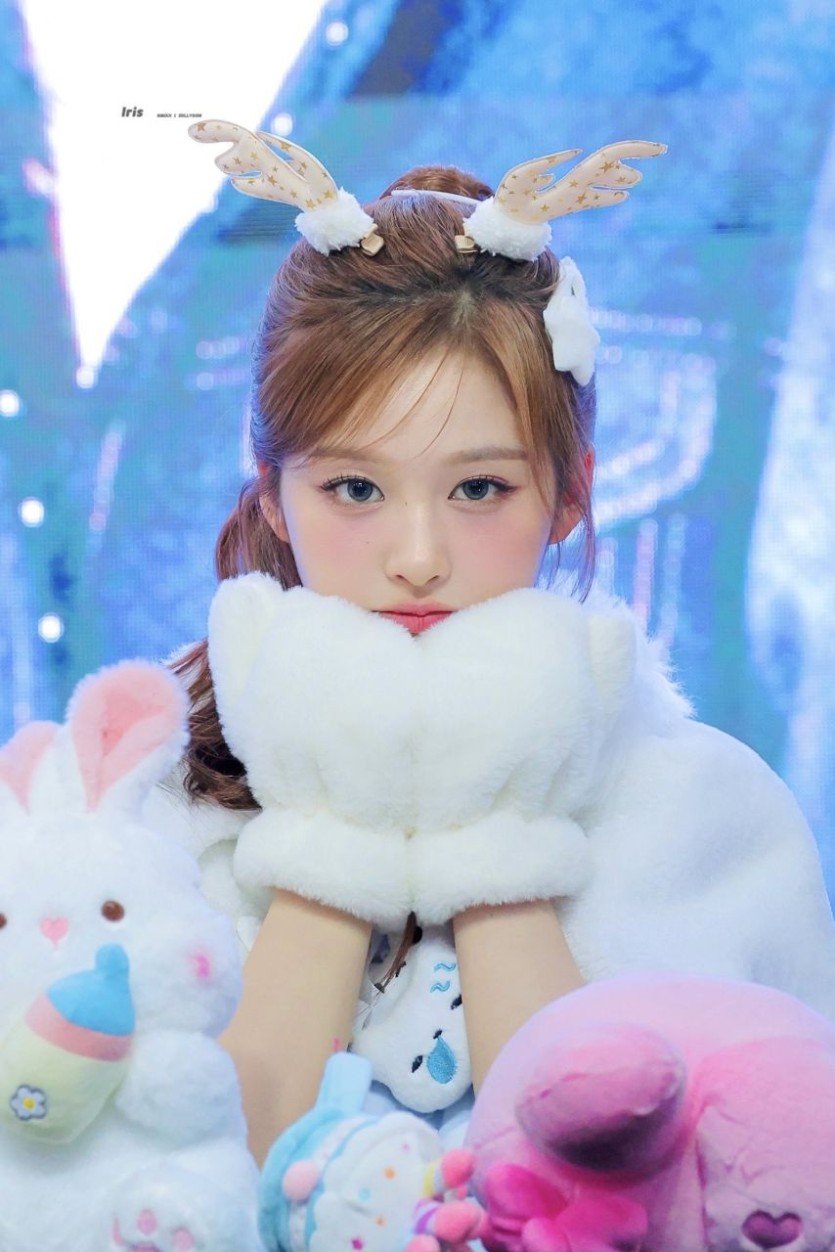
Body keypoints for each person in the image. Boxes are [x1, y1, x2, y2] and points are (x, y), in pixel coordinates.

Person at [146, 121, 835, 1190]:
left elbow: (624, 1202)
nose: (417, 558)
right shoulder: (145, 804)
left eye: (479, 489)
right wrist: (335, 817)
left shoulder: (708, 814)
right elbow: (172, 1197)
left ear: (570, 494)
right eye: (355, 489)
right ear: (272, 493)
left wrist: (494, 815)